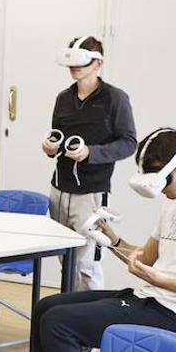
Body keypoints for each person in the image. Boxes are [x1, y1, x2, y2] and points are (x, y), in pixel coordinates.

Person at [32, 129, 176, 352]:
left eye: (163, 182)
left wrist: (162, 281)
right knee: (46, 307)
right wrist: (111, 239)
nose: (161, 190)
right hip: (151, 299)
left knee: (59, 323)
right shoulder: (173, 205)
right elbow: (145, 259)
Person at [41, 36, 137, 294]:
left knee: (86, 264)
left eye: (81, 60)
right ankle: (64, 320)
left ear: (98, 63)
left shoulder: (115, 99)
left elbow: (129, 143)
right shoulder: (63, 98)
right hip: (59, 190)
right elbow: (56, 136)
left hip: (91, 194)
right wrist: (50, 148)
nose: (74, 66)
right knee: (66, 260)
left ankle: (89, 329)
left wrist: (90, 153)